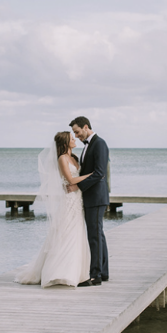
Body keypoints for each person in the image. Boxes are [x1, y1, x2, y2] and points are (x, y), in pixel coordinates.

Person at [14, 131, 92, 288]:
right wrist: (91, 175)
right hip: (69, 201)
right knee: (65, 234)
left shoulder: (74, 158)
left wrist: (83, 179)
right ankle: (58, 273)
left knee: (77, 235)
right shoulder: (62, 158)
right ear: (65, 142)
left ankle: (75, 273)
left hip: (78, 200)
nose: (75, 139)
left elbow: (75, 179)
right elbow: (70, 180)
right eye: (72, 138)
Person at [67, 116, 109, 287]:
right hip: (91, 196)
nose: (76, 136)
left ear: (86, 127)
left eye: (77, 132)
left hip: (97, 197)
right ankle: (103, 272)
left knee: (94, 235)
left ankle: (95, 275)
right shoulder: (88, 146)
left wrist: (79, 187)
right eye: (74, 134)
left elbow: (99, 173)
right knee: (98, 234)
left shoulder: (99, 143)